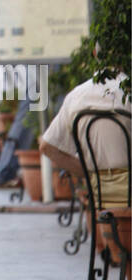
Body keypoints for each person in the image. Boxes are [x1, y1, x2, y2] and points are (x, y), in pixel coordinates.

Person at [39, 76, 129, 205]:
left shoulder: (77, 95)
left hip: (99, 192)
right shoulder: (128, 91)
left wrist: (89, 173)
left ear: (93, 55)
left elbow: (47, 147)